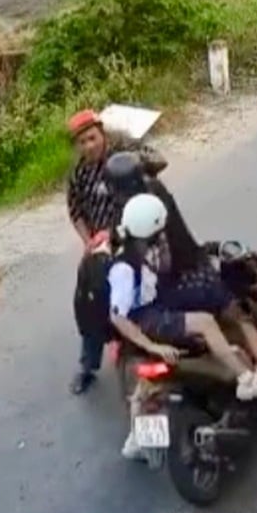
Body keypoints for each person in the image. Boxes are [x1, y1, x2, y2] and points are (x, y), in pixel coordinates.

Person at [109, 194, 257, 459]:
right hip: (149, 320)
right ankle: (246, 379)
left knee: (143, 386)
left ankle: (136, 440)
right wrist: (152, 344)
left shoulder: (137, 248)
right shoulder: (124, 269)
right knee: (205, 322)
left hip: (152, 312)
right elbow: (118, 316)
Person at [103, 153, 257, 385]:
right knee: (238, 313)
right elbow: (178, 241)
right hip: (184, 277)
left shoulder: (120, 218)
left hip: (155, 298)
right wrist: (207, 251)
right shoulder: (155, 195)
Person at [66, 109, 166, 395]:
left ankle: (151, 351)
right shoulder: (78, 174)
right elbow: (75, 212)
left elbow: (159, 164)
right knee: (90, 304)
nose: (89, 146)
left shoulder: (122, 162)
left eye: (93, 138)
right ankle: (88, 365)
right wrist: (89, 242)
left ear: (103, 134)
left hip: (133, 240)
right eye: (82, 142)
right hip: (100, 248)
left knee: (144, 296)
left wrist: (132, 147)